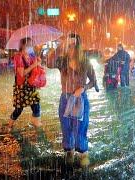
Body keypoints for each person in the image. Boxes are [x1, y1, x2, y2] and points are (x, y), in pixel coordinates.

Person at [47, 33, 97, 167]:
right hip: (65, 98)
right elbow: (49, 63)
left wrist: (84, 88)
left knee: (81, 127)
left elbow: (94, 81)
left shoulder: (85, 62)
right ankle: (69, 150)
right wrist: (59, 46)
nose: (71, 48)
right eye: (68, 45)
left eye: (73, 45)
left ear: (78, 47)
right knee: (66, 127)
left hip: (80, 99)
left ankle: (83, 152)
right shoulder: (62, 61)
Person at [7, 38, 42, 132]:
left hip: (31, 86)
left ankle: (36, 124)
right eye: (29, 45)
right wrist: (34, 65)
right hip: (21, 87)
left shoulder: (32, 56)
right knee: (18, 110)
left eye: (31, 44)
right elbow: (22, 73)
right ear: (23, 46)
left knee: (36, 106)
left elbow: (35, 70)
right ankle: (9, 125)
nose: (31, 47)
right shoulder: (18, 57)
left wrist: (38, 63)